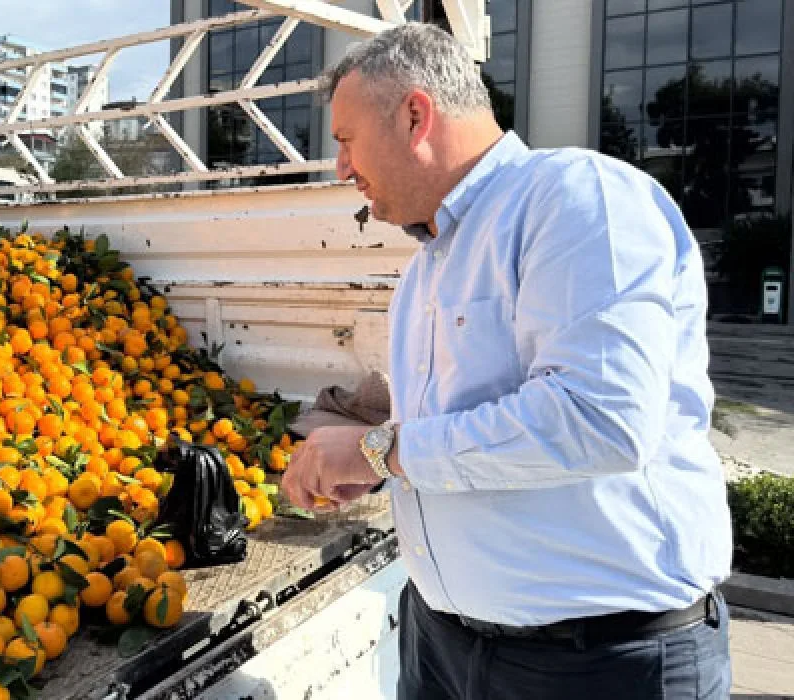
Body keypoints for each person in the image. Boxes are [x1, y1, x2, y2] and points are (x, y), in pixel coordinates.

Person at [280, 22, 733, 700]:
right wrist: (383, 474)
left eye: (345, 140)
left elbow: (599, 419)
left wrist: (380, 451)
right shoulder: (425, 272)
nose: (341, 167)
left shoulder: (578, 201)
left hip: (600, 665)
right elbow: (454, 436)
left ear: (414, 114)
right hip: (441, 644)